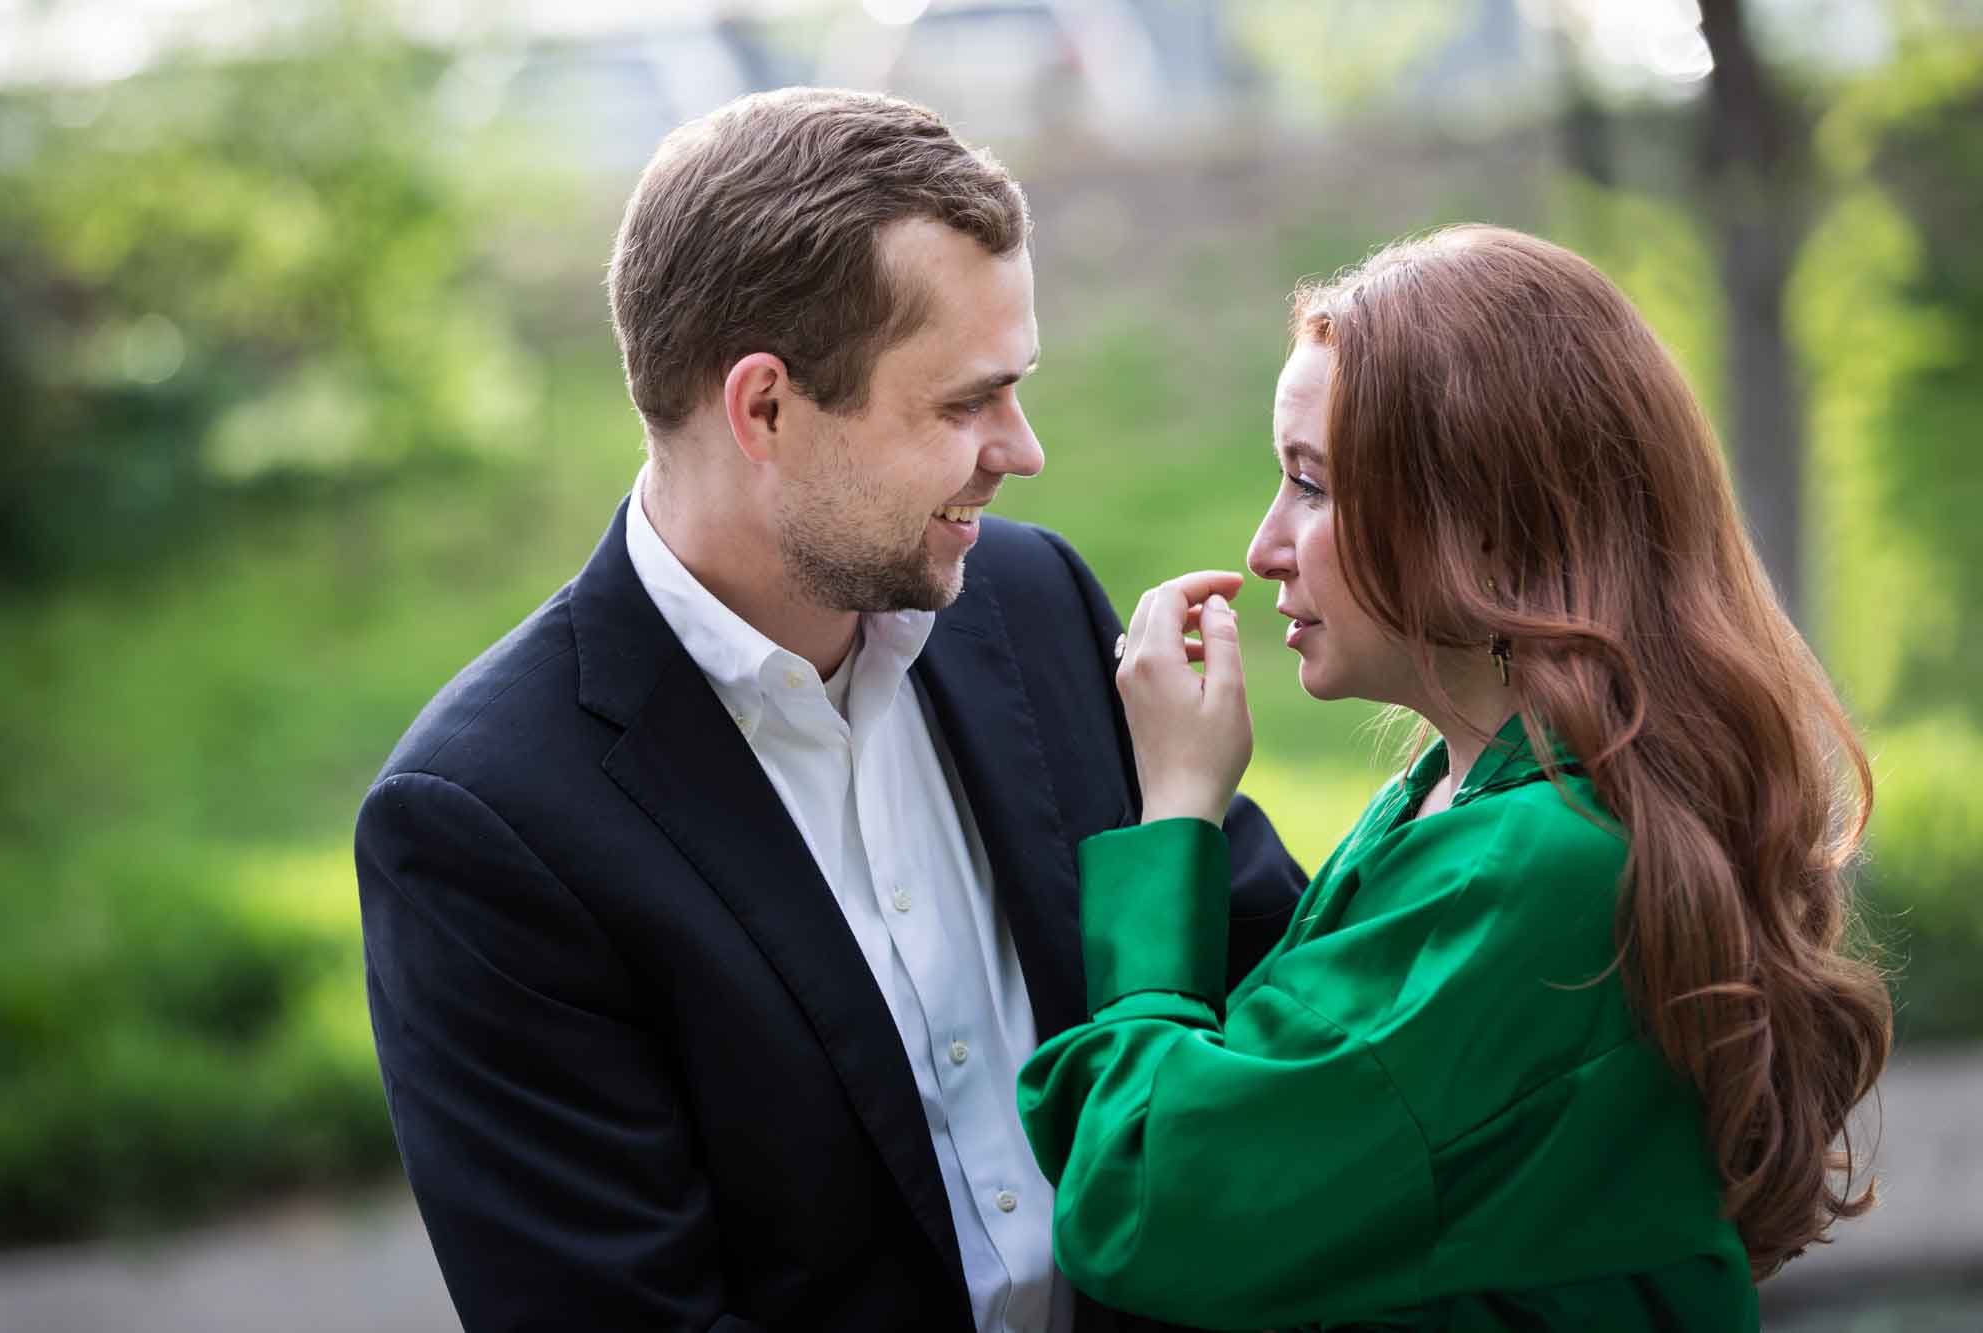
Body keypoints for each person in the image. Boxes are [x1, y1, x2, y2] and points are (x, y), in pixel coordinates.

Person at [354, 87, 1305, 1333]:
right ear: (763, 408)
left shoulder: (1034, 605)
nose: (1020, 451)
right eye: (965, 402)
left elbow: (1279, 1004)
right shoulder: (484, 823)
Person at [1017, 225, 1892, 1331]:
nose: (1263, 545)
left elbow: (1146, 1201)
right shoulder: (1468, 801)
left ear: (1488, 520)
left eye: (1312, 485)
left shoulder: (1534, 863)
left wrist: (1176, 813)